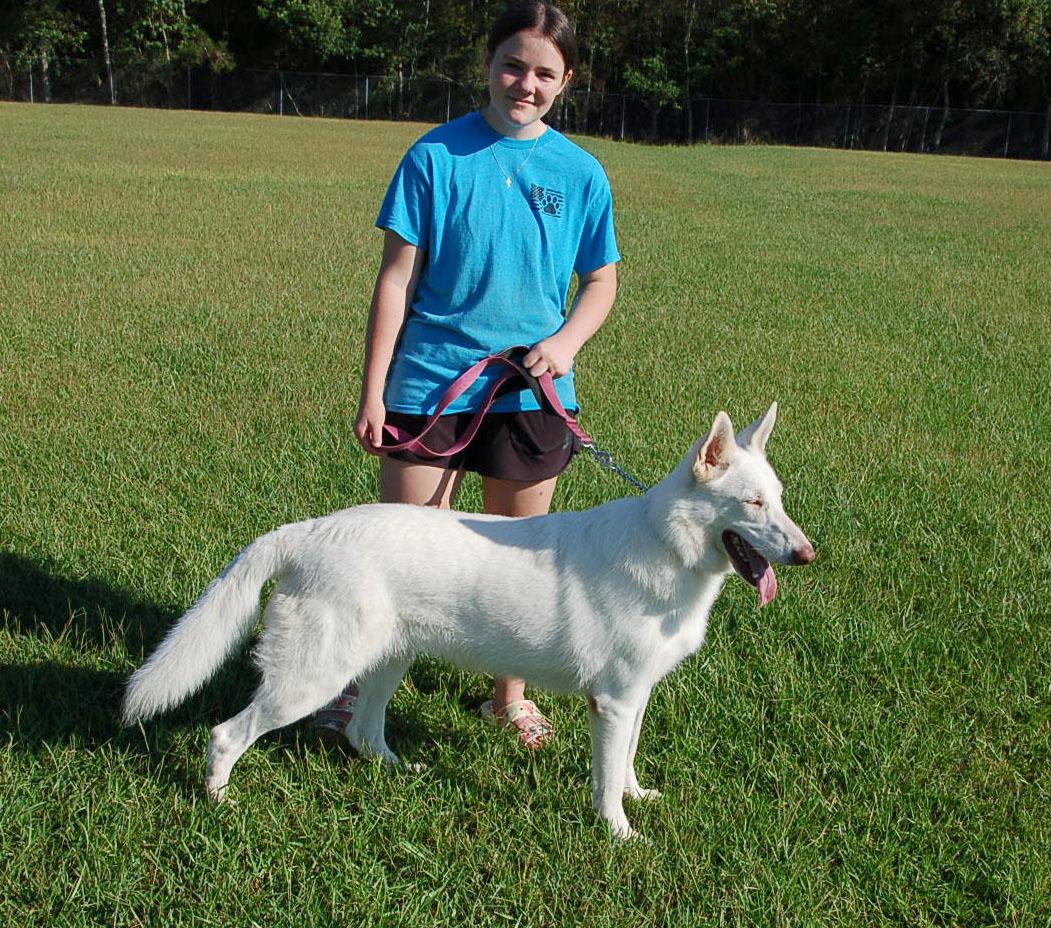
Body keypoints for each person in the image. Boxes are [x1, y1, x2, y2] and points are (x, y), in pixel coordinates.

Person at [314, 0, 620, 750]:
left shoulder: (580, 173)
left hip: (530, 396)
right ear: (486, 64)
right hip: (429, 387)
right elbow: (394, 281)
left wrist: (567, 342)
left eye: (544, 73)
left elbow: (602, 281)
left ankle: (507, 697)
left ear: (566, 81)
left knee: (521, 564)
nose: (525, 83)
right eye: (512, 65)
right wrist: (374, 389)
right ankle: (355, 692)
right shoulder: (433, 156)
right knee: (401, 559)